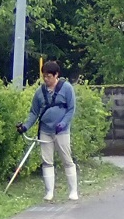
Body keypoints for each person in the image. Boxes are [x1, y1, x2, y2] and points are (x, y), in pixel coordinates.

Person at [16, 60, 78, 202]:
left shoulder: (67, 88)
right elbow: (34, 112)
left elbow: (71, 109)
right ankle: (49, 192)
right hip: (45, 130)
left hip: (61, 131)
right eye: (44, 76)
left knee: (67, 160)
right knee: (47, 161)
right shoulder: (40, 92)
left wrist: (63, 123)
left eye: (49, 76)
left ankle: (73, 191)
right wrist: (25, 126)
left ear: (56, 75)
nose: (46, 79)